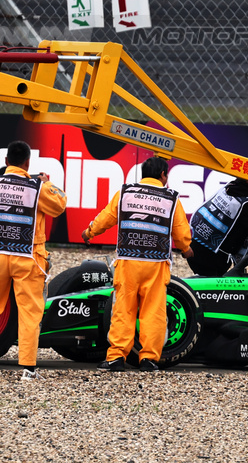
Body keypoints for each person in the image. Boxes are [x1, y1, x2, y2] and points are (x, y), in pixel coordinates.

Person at [0, 140, 67, 381]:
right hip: (28, 258)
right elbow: (60, 205)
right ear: (28, 162)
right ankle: (28, 369)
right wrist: (45, 183)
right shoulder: (36, 187)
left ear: (6, 162)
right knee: (29, 312)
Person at [81, 156, 194, 372]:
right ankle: (149, 359)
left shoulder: (126, 192)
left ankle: (116, 357)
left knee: (123, 309)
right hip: (156, 264)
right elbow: (180, 231)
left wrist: (90, 232)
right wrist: (186, 248)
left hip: (128, 261)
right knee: (153, 311)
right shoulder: (170, 198)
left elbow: (107, 216)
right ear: (163, 175)